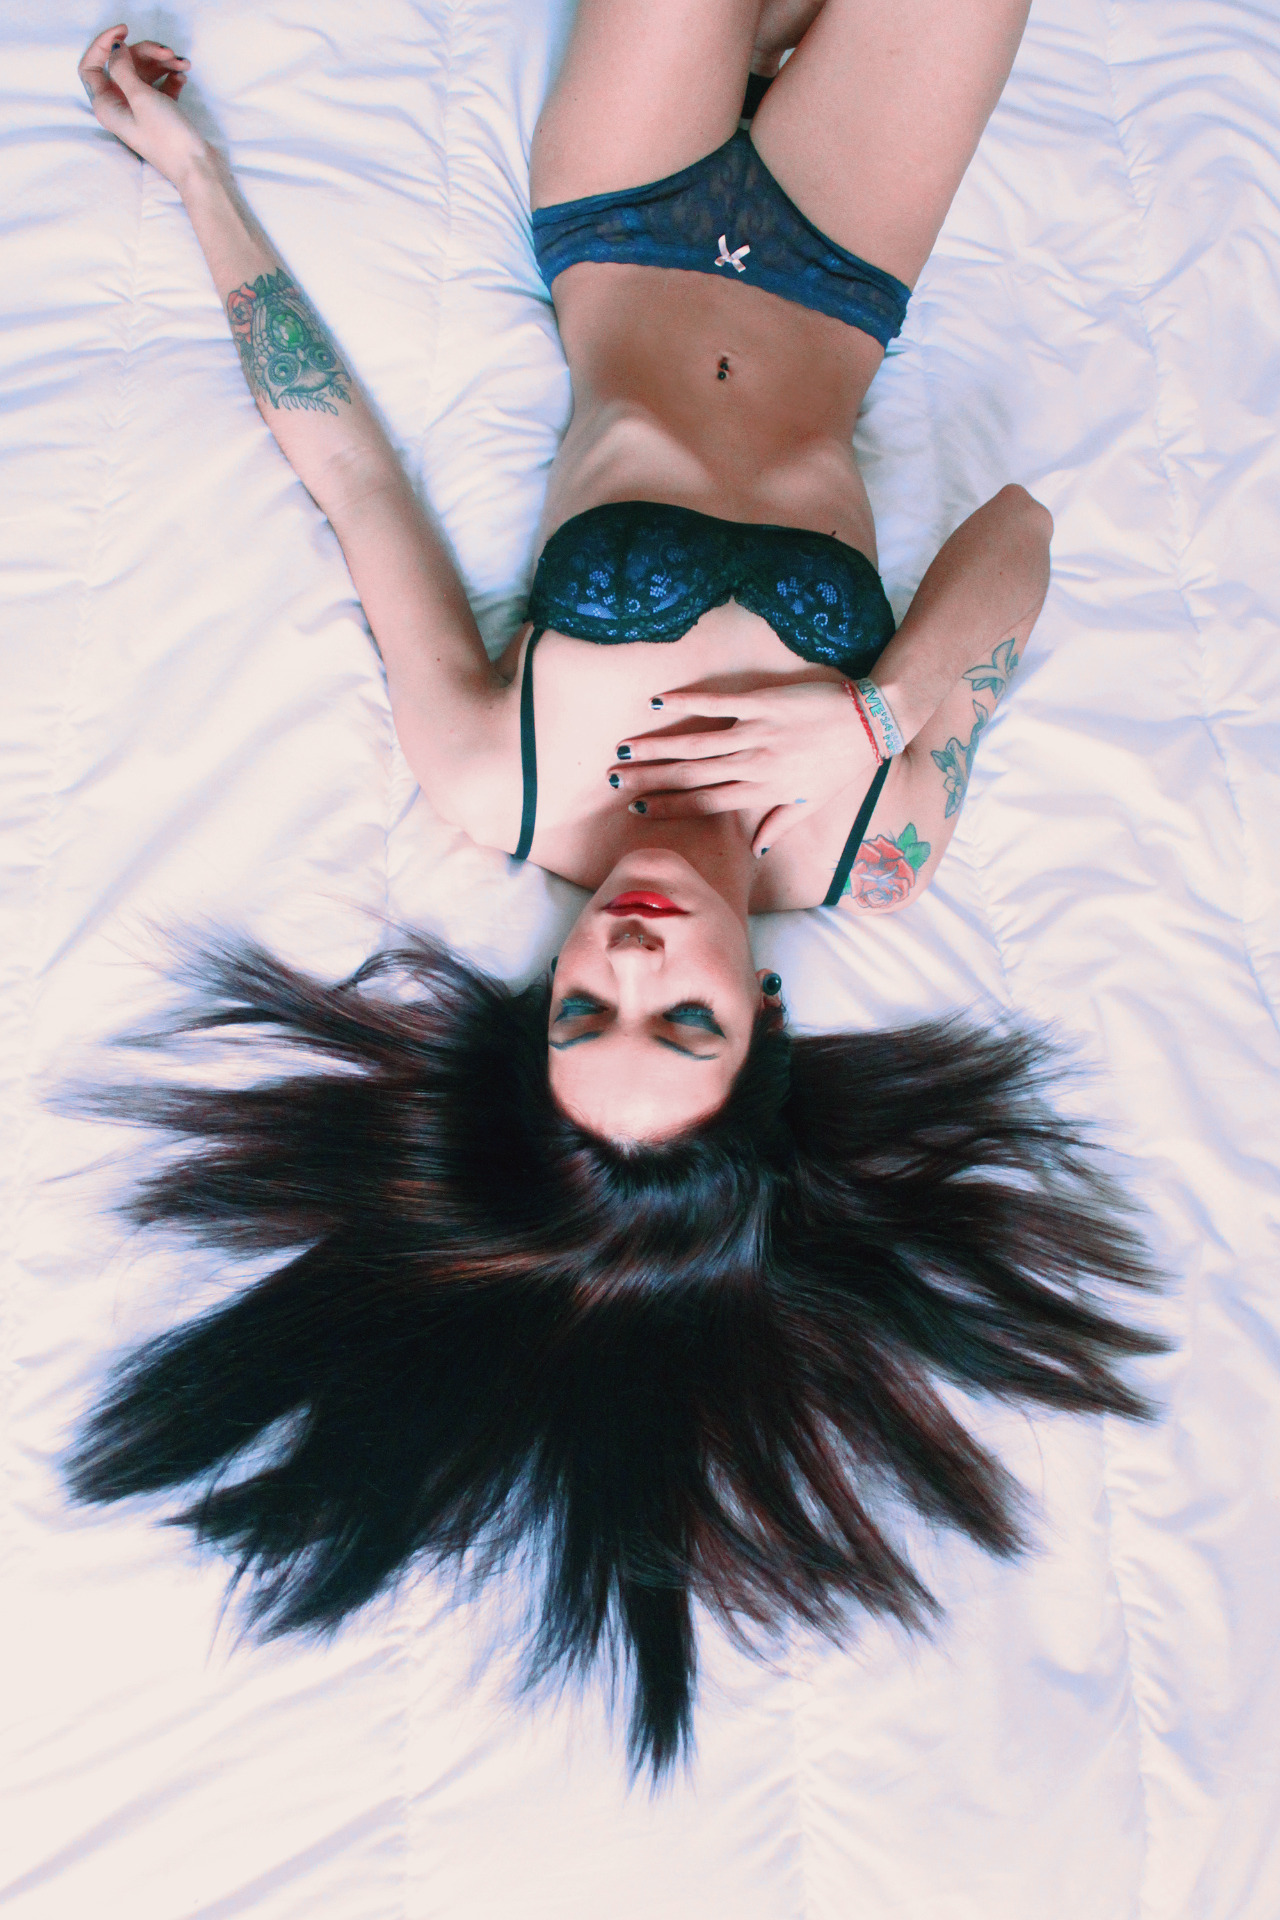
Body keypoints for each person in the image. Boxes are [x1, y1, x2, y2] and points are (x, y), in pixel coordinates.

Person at [69, 6, 1161, 1776]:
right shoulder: (872, 842)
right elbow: (1022, 535)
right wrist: (872, 711)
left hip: (629, 214)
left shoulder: (493, 779)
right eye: (687, 1021)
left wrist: (195, 178)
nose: (634, 955)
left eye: (584, 1008)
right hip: (843, 265)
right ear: (767, 1024)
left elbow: (345, 468)